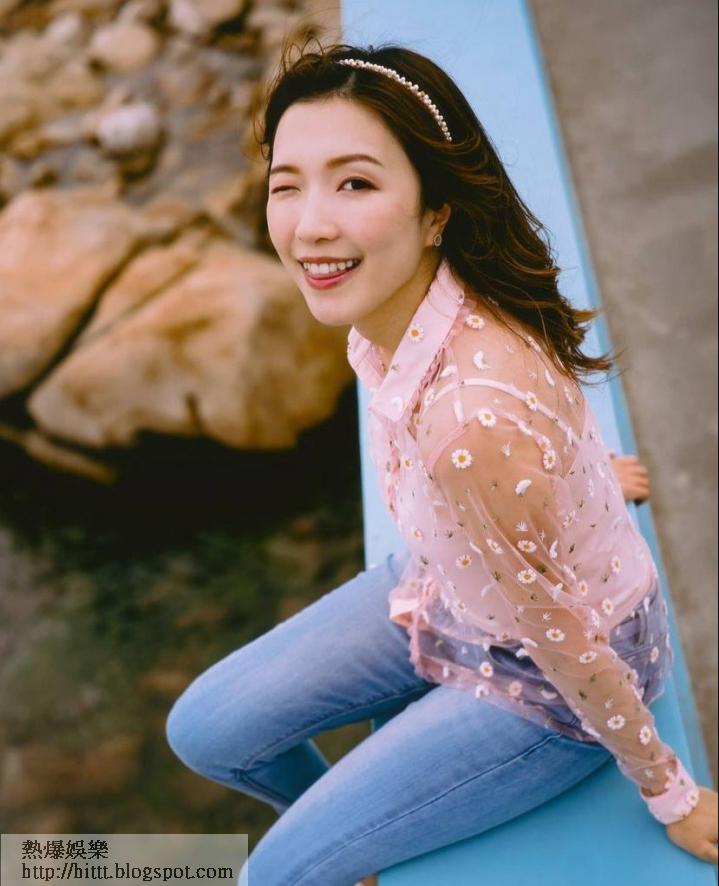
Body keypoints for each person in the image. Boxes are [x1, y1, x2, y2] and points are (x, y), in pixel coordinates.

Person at [165, 41, 718, 884]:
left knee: (268, 878)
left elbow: (565, 642)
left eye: (355, 184)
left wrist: (672, 796)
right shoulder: (408, 307)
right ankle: (350, 847)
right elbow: (538, 432)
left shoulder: (470, 424)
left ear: (434, 212)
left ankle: (329, 856)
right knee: (203, 730)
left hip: (548, 689)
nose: (310, 225)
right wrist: (583, 483)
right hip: (449, 588)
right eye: (287, 184)